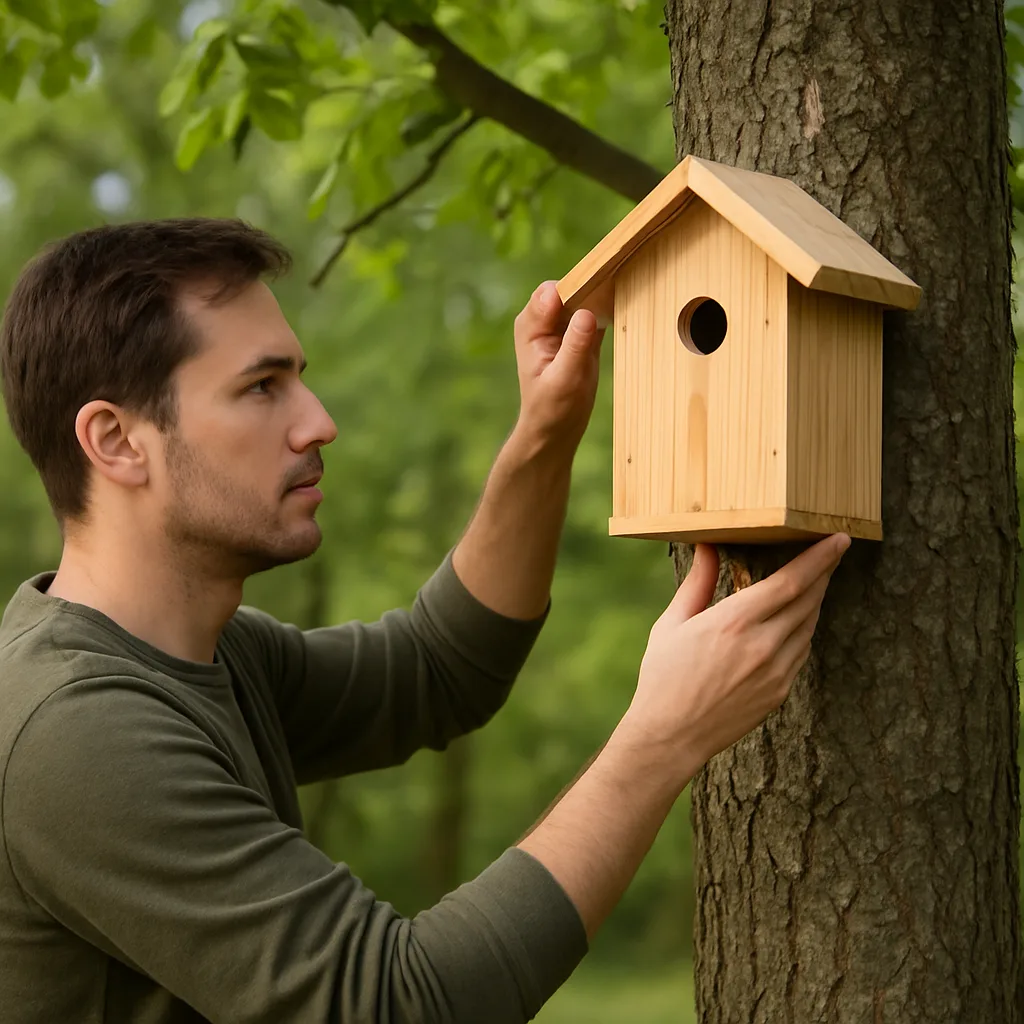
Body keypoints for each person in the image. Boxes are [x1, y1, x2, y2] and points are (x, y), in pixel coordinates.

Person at [0, 218, 849, 1024]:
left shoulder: (207, 655)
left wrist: (545, 434)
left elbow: (439, 672)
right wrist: (661, 740)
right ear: (114, 442)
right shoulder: (78, 731)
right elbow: (399, 1005)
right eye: (262, 387)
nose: (318, 421)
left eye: (298, 375)